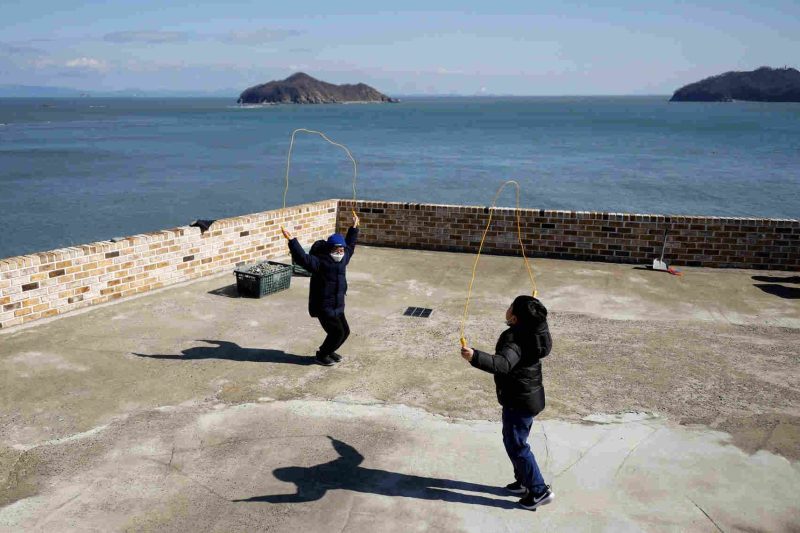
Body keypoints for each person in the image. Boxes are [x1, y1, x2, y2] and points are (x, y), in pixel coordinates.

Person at [460, 295, 554, 510]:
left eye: (511, 307)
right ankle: (524, 481)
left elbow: (501, 364)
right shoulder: (537, 331)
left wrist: (474, 356)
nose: (507, 308)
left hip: (518, 401)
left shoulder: (514, 338)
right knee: (516, 442)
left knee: (517, 445)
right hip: (529, 397)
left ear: (515, 318)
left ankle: (539, 491)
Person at [282, 214, 359, 366]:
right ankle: (322, 355)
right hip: (323, 305)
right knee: (336, 333)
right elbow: (302, 258)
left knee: (345, 332)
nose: (340, 252)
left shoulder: (344, 258)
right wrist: (292, 241)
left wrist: (354, 227)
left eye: (341, 249)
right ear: (330, 248)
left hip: (338, 304)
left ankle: (328, 351)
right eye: (337, 249)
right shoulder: (319, 262)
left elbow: (351, 244)